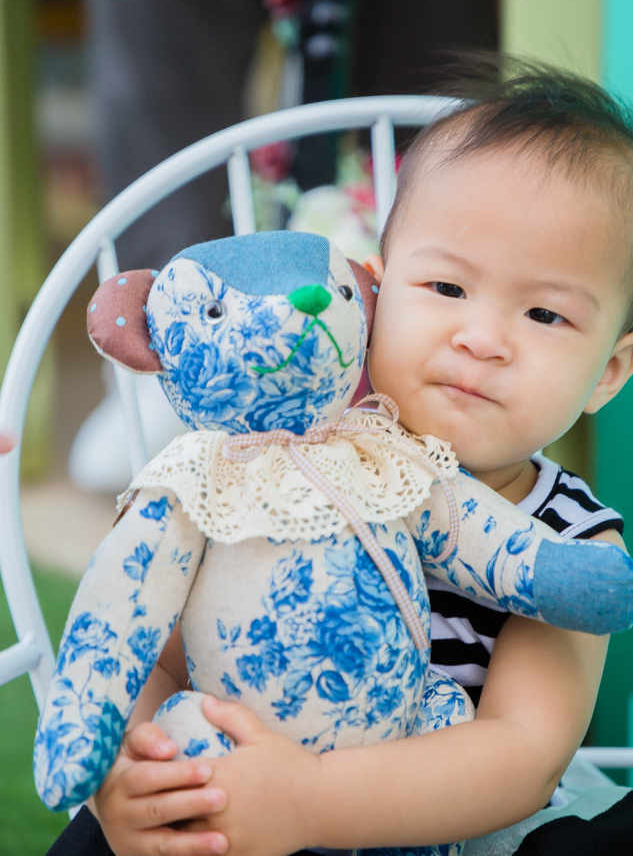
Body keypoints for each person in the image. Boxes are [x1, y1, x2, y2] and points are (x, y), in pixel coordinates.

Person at [47, 63, 633, 856]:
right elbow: (156, 655)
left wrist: (312, 802)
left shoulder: (567, 538)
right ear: (373, 295)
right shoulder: (263, 470)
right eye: (446, 287)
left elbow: (521, 754)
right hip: (231, 787)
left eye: (543, 313)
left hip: (451, 832)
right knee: (105, 832)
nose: (481, 339)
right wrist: (138, 772)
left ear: (607, 372)